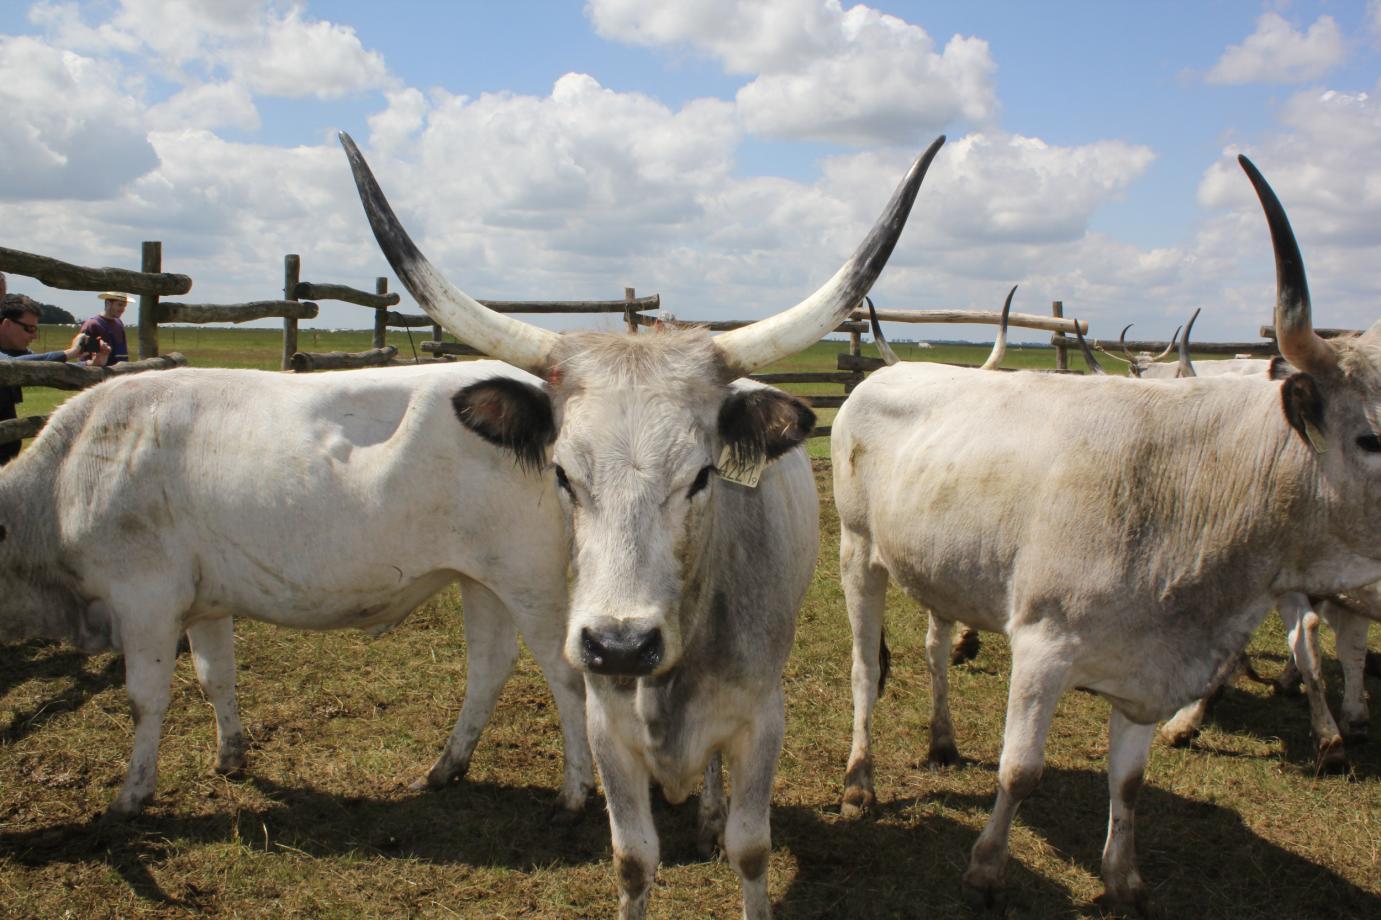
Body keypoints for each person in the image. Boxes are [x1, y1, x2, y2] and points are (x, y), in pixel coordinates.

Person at [1, 272, 111, 465]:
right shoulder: (9, 356)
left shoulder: (16, 351)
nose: (34, 336)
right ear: (7, 325)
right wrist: (71, 352)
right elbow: (10, 363)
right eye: (29, 329)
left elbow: (45, 368)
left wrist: (90, 364)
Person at [81, 291, 131, 365]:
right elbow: (86, 357)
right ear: (108, 303)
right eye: (120, 305)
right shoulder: (93, 325)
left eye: (124, 306)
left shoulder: (119, 323)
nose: (123, 309)